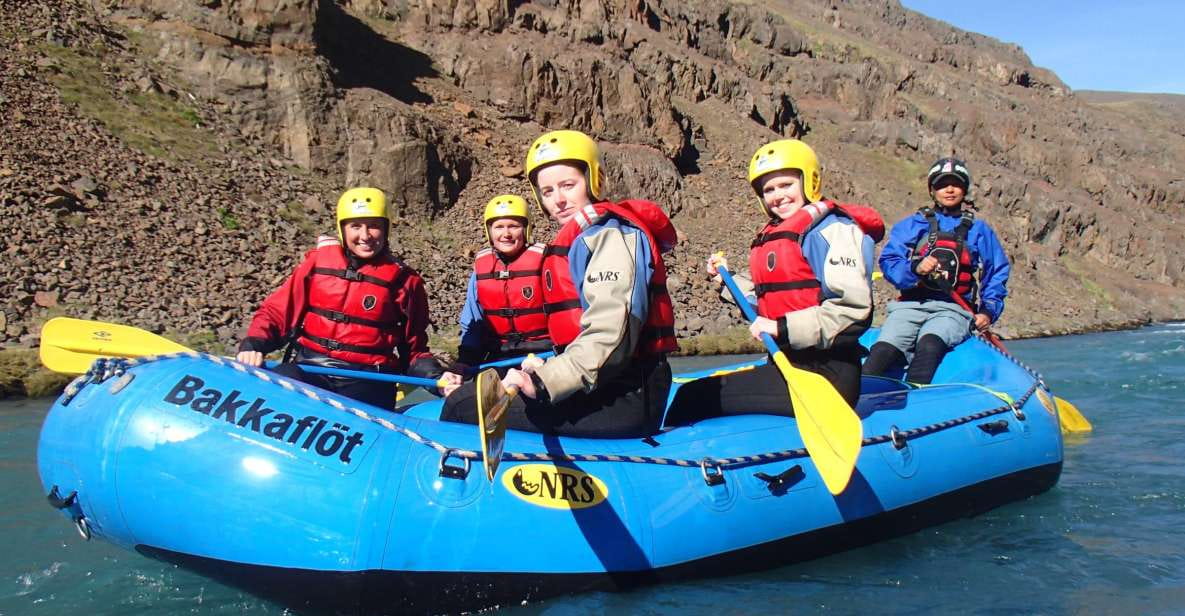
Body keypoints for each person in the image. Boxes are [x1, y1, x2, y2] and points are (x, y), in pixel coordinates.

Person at [440, 129, 679, 437]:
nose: (559, 200)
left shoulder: (612, 236)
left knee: (462, 406)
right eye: (548, 191)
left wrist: (544, 381)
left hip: (628, 395)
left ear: (594, 180)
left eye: (568, 185)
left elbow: (612, 334)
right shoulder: (584, 238)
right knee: (466, 400)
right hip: (601, 384)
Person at [666, 138, 883, 425]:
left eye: (786, 185)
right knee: (689, 395)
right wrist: (725, 282)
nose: (777, 196)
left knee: (692, 398)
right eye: (768, 190)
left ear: (809, 181)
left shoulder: (834, 231)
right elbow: (767, 301)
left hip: (827, 375)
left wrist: (781, 327)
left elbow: (851, 311)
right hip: (788, 365)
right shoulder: (779, 233)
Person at [235, 187, 453, 409]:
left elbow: (414, 350)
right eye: (355, 226)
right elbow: (278, 313)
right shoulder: (317, 264)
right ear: (342, 229)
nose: (365, 236)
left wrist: (436, 377)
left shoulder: (406, 281)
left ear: (386, 229)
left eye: (374, 226)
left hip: (369, 381)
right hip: (312, 368)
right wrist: (254, 344)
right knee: (281, 380)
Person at [862, 157, 1010, 384]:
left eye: (956, 184)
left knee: (929, 345)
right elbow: (890, 261)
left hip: (953, 310)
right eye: (942, 184)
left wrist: (988, 311)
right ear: (932, 190)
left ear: (965, 189)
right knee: (883, 351)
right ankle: (859, 402)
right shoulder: (913, 225)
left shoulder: (979, 230)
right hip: (910, 306)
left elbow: (996, 272)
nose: (949, 190)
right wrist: (915, 267)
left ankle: (916, 401)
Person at [452, 195, 552, 372]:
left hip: (544, 353)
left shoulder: (546, 262)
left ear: (526, 229)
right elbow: (472, 322)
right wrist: (465, 360)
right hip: (498, 355)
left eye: (513, 226)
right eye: (499, 227)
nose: (506, 234)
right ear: (489, 231)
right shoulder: (481, 269)